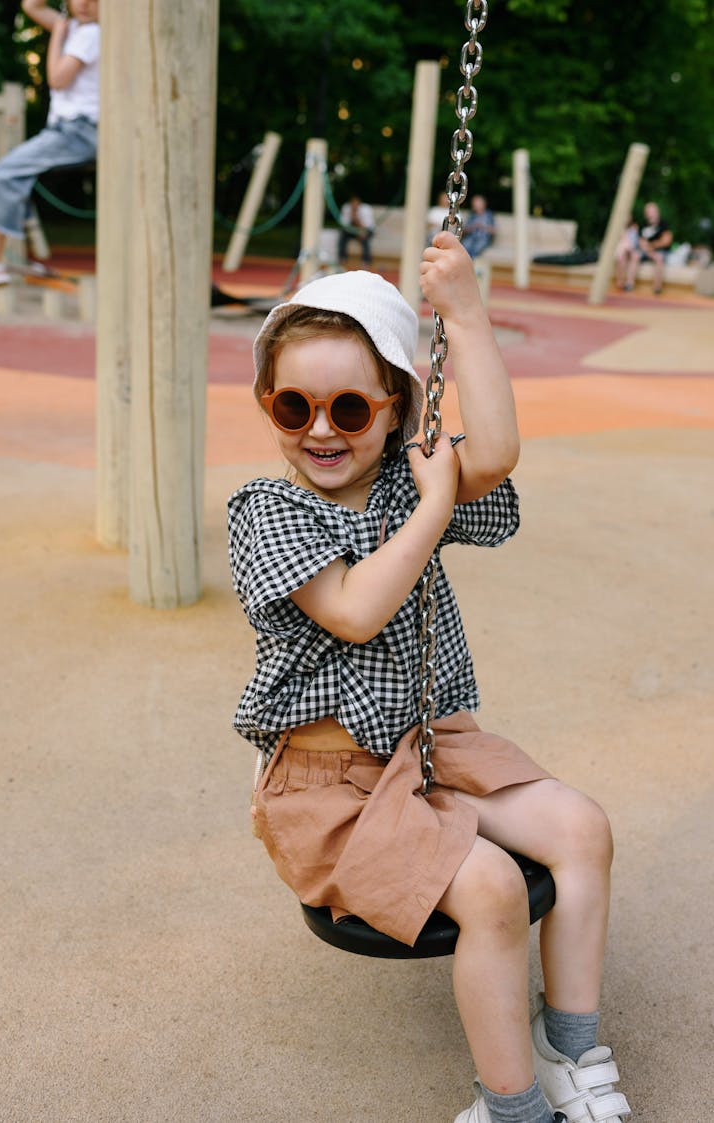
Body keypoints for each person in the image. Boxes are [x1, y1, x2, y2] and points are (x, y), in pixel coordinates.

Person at [228, 233, 630, 1123]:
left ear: (395, 407)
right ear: (269, 407)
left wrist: (469, 315)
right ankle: (511, 1105)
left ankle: (570, 1047)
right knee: (488, 885)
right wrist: (435, 502)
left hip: (432, 750)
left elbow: (492, 452)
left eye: (349, 408)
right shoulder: (268, 510)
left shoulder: (411, 486)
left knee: (582, 829)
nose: (323, 429)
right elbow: (355, 608)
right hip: (326, 789)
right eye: (295, 406)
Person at [0, 0, 100, 291]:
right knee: (16, 179)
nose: (85, 4)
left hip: (79, 131)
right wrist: (63, 28)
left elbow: (57, 79)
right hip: (68, 129)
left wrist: (57, 36)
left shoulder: (93, 34)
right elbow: (32, 5)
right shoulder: (75, 28)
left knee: (4, 172)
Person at [618, 200, 673, 294]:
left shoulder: (664, 224)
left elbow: (666, 241)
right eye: (648, 212)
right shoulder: (643, 225)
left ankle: (657, 288)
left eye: (652, 212)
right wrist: (648, 248)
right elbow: (641, 241)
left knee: (659, 258)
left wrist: (652, 246)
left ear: (657, 212)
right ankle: (629, 284)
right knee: (635, 256)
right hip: (646, 251)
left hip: (659, 251)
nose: (650, 214)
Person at [337, 193, 375, 266]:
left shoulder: (366, 209)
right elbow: (344, 224)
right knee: (343, 236)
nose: (354, 206)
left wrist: (356, 220)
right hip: (352, 230)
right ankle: (342, 258)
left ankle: (366, 261)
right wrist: (352, 215)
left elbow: (368, 226)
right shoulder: (346, 208)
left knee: (365, 239)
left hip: (366, 230)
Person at [462, 193, 496, 258]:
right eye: (474, 203)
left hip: (483, 238)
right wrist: (473, 226)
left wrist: (483, 226)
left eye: (477, 203)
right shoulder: (472, 215)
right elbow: (464, 230)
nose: (475, 205)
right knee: (465, 246)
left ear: (484, 204)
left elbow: (493, 231)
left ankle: (470, 263)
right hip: (471, 237)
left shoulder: (489, 215)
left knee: (476, 249)